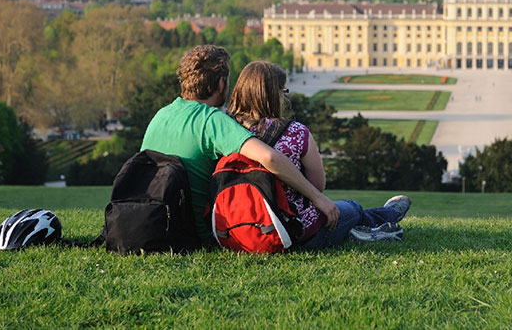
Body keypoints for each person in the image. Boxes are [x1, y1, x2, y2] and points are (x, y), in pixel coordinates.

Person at [140, 45, 339, 242]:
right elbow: (269, 157)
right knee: (351, 210)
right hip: (199, 232)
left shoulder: (162, 115)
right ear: (220, 84)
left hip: (157, 223)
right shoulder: (212, 120)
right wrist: (317, 197)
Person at [226, 61, 410, 248]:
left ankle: (367, 227)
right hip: (295, 232)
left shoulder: (224, 130)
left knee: (344, 210)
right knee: (351, 207)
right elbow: (318, 185)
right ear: (275, 95)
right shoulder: (295, 132)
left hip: (238, 230)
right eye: (283, 92)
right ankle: (388, 215)